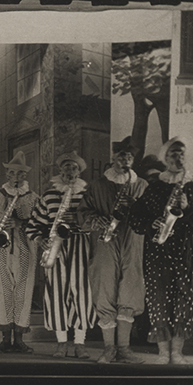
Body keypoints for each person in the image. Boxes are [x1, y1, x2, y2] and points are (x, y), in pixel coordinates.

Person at [127, 138, 193, 364]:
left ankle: (177, 352)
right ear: (165, 158)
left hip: (188, 254)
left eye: (182, 154)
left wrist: (189, 209)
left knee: (184, 301)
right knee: (158, 302)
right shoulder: (154, 187)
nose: (179, 158)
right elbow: (135, 218)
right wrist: (151, 224)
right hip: (159, 254)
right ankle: (163, 353)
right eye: (174, 154)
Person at [78, 136, 147, 364]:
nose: (125, 160)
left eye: (129, 157)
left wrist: (135, 208)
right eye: (121, 156)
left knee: (130, 288)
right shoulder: (97, 185)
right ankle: (109, 348)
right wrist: (97, 221)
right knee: (105, 287)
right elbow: (83, 213)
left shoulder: (142, 185)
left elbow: (151, 216)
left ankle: (124, 348)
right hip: (104, 243)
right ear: (113, 158)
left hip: (132, 242)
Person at [25, 152, 97, 359]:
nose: (69, 171)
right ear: (60, 170)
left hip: (80, 246)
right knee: (56, 293)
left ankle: (80, 344)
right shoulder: (48, 195)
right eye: (66, 167)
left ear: (79, 171)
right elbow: (33, 226)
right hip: (55, 247)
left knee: (82, 293)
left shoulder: (86, 194)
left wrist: (78, 218)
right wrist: (41, 239)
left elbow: (93, 222)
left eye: (74, 168)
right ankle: (61, 343)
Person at [0, 153, 39, 354]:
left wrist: (22, 223)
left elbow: (41, 224)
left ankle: (19, 340)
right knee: (3, 292)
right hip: (1, 250)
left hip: (25, 249)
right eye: (12, 173)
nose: (16, 177)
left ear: (24, 176)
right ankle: (5, 339)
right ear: (6, 174)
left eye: (20, 173)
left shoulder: (32, 197)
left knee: (23, 292)